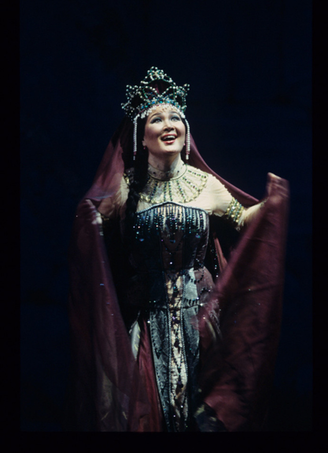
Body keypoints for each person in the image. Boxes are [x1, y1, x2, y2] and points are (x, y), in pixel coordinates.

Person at [65, 67, 289, 432]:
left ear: (186, 132)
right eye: (157, 118)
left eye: (176, 117)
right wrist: (89, 220)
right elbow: (93, 225)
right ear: (141, 134)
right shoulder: (124, 190)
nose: (169, 125)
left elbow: (244, 219)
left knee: (201, 417)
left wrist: (272, 205)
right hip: (146, 324)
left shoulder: (207, 185)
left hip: (200, 323)